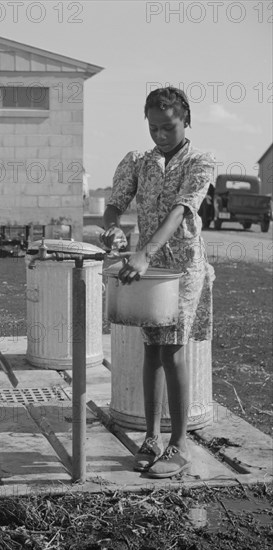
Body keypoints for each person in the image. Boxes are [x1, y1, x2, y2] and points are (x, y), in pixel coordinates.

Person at [101, 87, 215, 479]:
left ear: (186, 121)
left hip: (181, 266)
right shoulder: (138, 161)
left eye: (168, 127)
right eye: (154, 128)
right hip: (146, 267)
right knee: (151, 349)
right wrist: (114, 229)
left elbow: (182, 210)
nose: (161, 136)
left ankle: (180, 444)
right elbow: (115, 203)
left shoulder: (200, 162)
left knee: (173, 350)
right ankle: (151, 437)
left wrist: (145, 251)